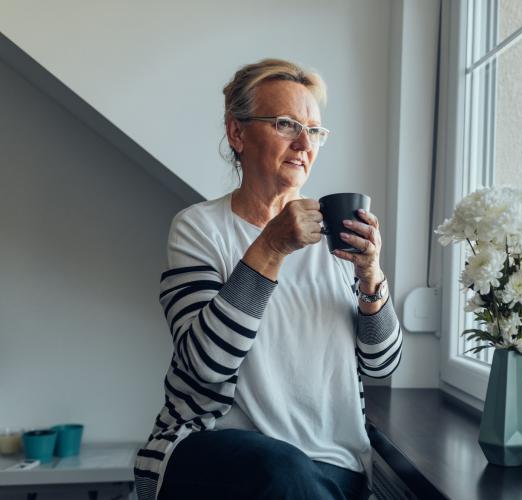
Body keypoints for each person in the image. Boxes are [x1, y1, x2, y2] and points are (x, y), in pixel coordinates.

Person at [133, 58, 403, 500]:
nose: (304, 143)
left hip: (333, 463)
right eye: (285, 124)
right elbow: (206, 365)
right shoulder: (199, 228)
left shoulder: (335, 234)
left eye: (314, 130)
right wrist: (271, 246)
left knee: (296, 476)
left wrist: (372, 277)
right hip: (219, 451)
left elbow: (382, 364)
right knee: (279, 466)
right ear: (237, 133)